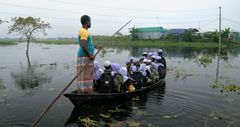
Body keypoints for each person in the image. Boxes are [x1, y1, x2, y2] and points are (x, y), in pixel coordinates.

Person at [77, 15, 100, 93]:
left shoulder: (84, 31)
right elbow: (83, 45)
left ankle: (86, 90)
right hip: (85, 56)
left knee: (87, 74)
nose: (90, 23)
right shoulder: (84, 32)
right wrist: (89, 55)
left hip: (85, 56)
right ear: (87, 22)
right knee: (85, 75)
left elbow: (88, 43)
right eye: (90, 21)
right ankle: (85, 91)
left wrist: (96, 47)